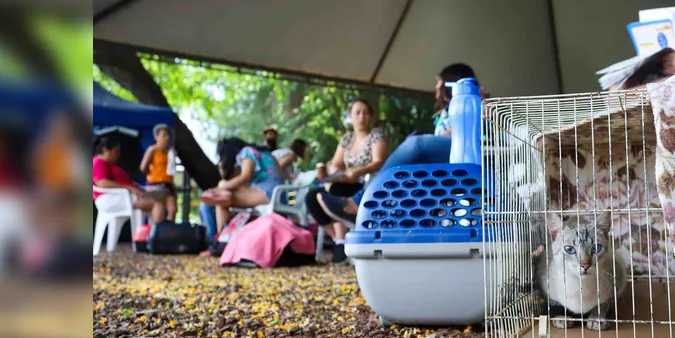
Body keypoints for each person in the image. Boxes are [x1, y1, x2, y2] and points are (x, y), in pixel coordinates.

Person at [316, 64, 479, 229]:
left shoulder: (475, 103)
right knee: (415, 179)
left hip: (473, 152)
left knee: (415, 146)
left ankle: (359, 204)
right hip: (448, 161)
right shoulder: (347, 138)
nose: (436, 87)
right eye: (357, 113)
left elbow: (463, 131)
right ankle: (398, 229)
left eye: (440, 82)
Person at [304, 99, 387, 258]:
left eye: (365, 112)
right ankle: (339, 240)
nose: (362, 116)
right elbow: (335, 163)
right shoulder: (347, 138)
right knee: (311, 197)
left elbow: (378, 162)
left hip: (365, 184)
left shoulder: (376, 135)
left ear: (370, 116)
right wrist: (336, 172)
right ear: (350, 116)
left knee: (335, 190)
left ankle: (341, 245)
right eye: (357, 112)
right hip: (344, 182)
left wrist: (357, 172)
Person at [200, 137, 284, 233]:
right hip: (279, 192)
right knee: (224, 195)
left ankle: (221, 241)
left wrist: (223, 186)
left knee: (221, 199)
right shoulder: (262, 151)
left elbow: (245, 176)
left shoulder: (246, 152)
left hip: (269, 193)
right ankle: (223, 238)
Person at [93, 135, 166, 224]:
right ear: (105, 150)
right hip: (111, 199)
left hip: (124, 196)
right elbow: (101, 183)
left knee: (160, 196)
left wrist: (139, 188)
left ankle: (150, 232)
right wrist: (131, 189)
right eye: (116, 151)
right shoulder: (98, 162)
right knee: (157, 203)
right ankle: (154, 235)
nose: (118, 154)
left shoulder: (109, 165)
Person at [139, 124, 177, 221]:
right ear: (156, 137)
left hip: (168, 184)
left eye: (168, 135)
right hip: (155, 185)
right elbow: (143, 168)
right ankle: (155, 231)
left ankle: (168, 231)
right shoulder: (152, 150)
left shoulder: (171, 151)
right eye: (164, 135)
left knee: (172, 210)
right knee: (158, 211)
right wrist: (153, 174)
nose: (167, 138)